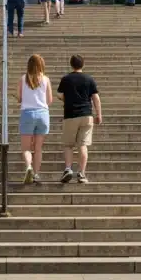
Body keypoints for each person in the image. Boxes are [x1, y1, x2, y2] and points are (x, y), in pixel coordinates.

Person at [58, 54, 100, 184]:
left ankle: (68, 169)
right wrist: (99, 114)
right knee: (83, 145)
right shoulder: (89, 79)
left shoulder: (66, 79)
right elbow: (95, 98)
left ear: (71, 64)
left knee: (68, 145)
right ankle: (81, 173)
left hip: (70, 114)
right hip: (86, 114)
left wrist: (67, 99)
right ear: (83, 64)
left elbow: (59, 94)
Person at [18, 53, 52, 185]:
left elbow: (20, 98)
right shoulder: (46, 79)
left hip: (27, 114)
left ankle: (28, 167)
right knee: (38, 148)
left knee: (26, 148)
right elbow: (49, 100)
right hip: (43, 114)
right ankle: (36, 174)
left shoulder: (23, 78)